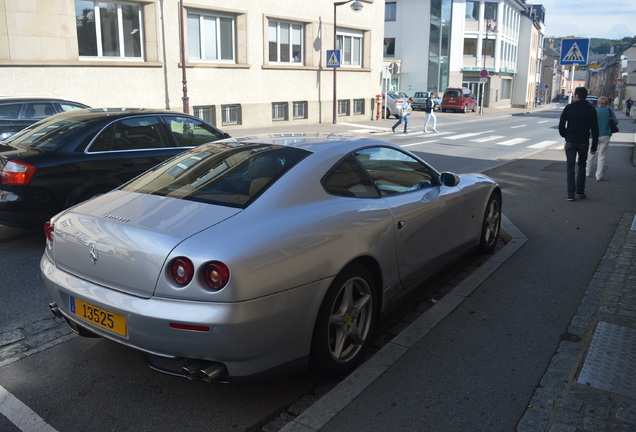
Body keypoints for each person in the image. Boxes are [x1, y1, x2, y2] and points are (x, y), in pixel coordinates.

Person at [558, 86, 599, 201]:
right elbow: (595, 130)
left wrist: (566, 135)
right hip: (583, 142)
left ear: (576, 96)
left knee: (570, 167)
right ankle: (580, 191)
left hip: (571, 141)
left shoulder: (569, 108)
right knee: (582, 165)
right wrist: (594, 146)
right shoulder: (591, 109)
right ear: (585, 96)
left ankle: (570, 194)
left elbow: (561, 125)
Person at [586, 96, 618, 181]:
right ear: (607, 103)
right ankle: (598, 175)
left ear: (598, 103)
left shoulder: (594, 111)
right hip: (605, 135)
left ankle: (587, 172)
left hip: (593, 135)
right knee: (602, 156)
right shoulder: (609, 111)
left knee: (591, 153)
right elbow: (616, 122)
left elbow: (588, 123)